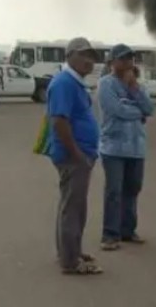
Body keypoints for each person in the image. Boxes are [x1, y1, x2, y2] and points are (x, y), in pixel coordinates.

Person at [46, 37, 102, 275]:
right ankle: (70, 261)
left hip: (79, 156)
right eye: (83, 55)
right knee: (73, 207)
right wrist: (78, 154)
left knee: (74, 206)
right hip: (73, 158)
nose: (88, 60)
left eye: (91, 56)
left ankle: (71, 251)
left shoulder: (74, 82)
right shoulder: (64, 83)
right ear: (69, 56)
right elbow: (59, 121)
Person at [97, 44, 154, 252]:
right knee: (114, 191)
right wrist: (138, 113)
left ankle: (127, 231)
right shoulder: (105, 84)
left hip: (136, 147)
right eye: (122, 59)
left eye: (130, 58)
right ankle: (109, 235)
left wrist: (134, 90)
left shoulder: (137, 85)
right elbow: (116, 110)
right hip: (113, 147)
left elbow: (150, 108)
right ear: (112, 62)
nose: (127, 62)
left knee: (132, 189)